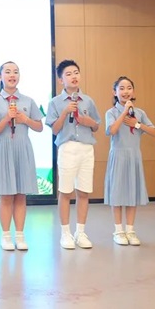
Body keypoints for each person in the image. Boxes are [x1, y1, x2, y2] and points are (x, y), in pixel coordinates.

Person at [0, 62, 44, 251]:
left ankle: (20, 235)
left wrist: (24, 119)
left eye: (16, 72)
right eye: (8, 72)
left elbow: (39, 127)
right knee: (6, 195)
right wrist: (6, 118)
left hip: (22, 148)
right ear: (0, 76)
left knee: (20, 195)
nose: (12, 75)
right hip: (3, 149)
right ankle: (5, 236)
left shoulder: (28, 101)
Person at [45, 60, 101, 250]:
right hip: (67, 148)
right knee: (65, 191)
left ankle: (81, 232)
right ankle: (65, 233)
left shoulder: (88, 100)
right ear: (61, 80)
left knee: (83, 191)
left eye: (76, 72)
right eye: (68, 74)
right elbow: (55, 130)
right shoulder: (55, 102)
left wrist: (86, 120)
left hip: (86, 148)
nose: (74, 76)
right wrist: (65, 113)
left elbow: (96, 126)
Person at [104, 76, 155, 246]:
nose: (125, 91)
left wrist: (137, 124)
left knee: (132, 193)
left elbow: (154, 132)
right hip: (118, 156)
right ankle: (118, 231)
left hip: (134, 156)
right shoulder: (111, 112)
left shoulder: (139, 113)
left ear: (133, 92)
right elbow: (112, 131)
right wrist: (124, 113)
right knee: (117, 194)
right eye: (121, 88)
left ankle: (130, 230)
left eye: (129, 88)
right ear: (115, 92)